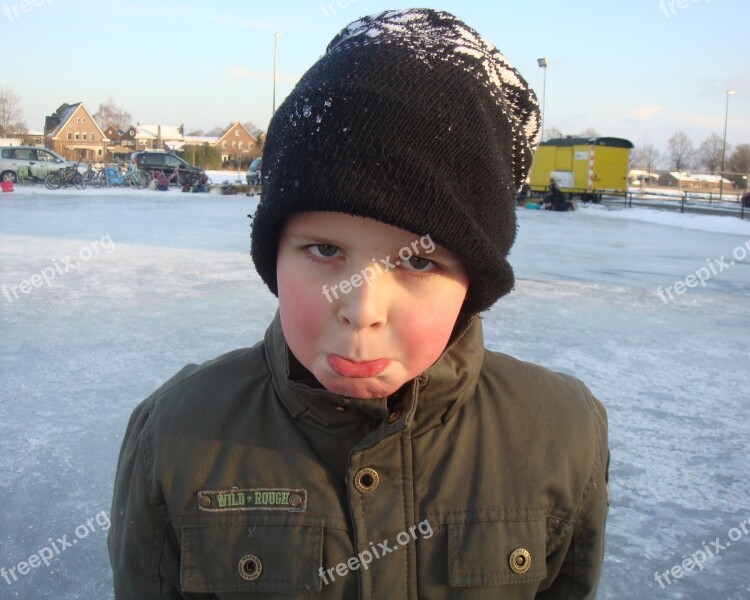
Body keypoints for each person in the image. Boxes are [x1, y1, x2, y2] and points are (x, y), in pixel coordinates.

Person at [108, 9, 609, 599]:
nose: (361, 308)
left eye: (418, 262)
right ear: (274, 255)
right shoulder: (174, 433)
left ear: (473, 283)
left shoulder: (561, 432)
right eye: (324, 249)